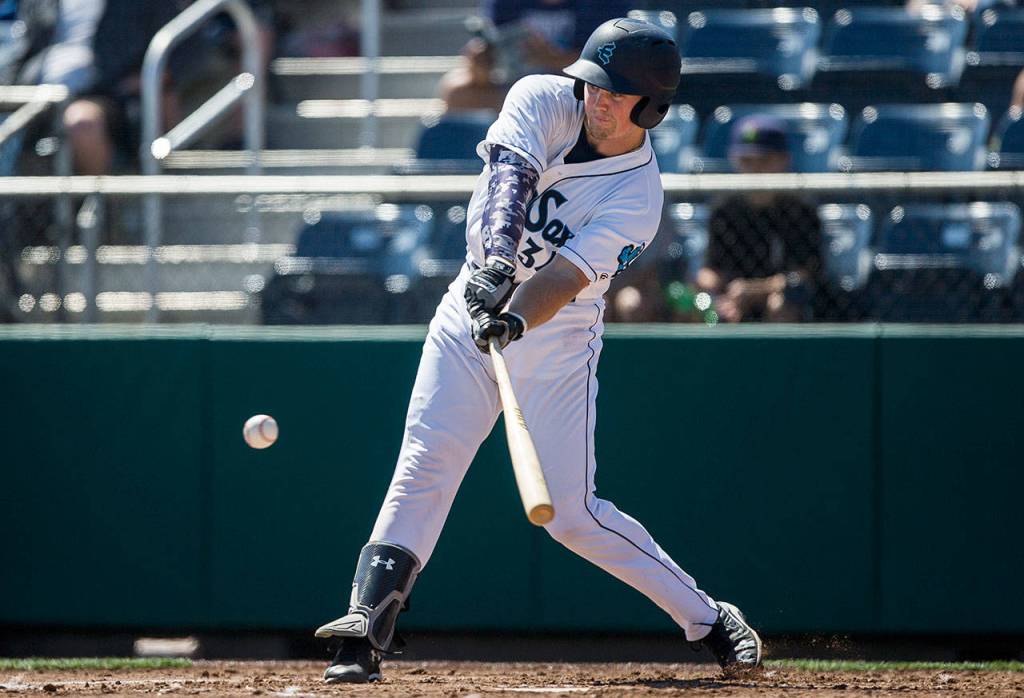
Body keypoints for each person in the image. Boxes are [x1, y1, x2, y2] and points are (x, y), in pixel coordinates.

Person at [314, 18, 763, 684]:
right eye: (593, 85)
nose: (597, 100)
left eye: (616, 93)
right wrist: (494, 269)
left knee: (572, 516)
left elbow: (562, 279)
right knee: (426, 460)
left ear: (654, 108)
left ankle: (708, 618)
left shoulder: (638, 196)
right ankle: (364, 630)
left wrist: (517, 320)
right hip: (470, 302)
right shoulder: (543, 97)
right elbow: (508, 180)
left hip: (554, 337)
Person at [697, 115, 823, 323]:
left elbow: (803, 275)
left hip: (785, 296)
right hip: (735, 296)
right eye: (747, 160)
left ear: (784, 159)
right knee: (703, 308)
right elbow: (712, 269)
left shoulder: (801, 209)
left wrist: (754, 290)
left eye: (764, 160)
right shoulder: (724, 209)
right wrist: (711, 290)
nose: (755, 169)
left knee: (780, 305)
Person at [440, 0, 628, 112]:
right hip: (515, 90)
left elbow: (609, 62)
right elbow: (493, 60)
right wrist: (479, 67)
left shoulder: (606, 3)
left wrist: (554, 59)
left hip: (579, 91)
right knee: (455, 90)